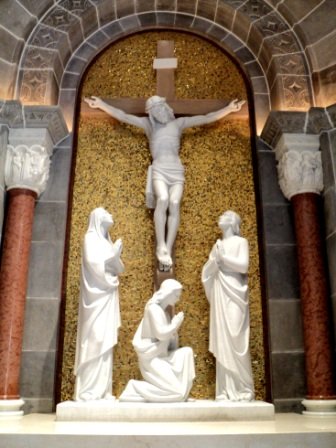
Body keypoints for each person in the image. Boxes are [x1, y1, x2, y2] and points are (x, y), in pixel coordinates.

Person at [84, 95, 245, 271]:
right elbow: (123, 116)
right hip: (159, 169)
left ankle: (167, 249)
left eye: (160, 109)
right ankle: (160, 245)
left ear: (166, 108)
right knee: (163, 199)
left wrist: (229, 109)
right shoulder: (148, 125)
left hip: (176, 170)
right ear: (151, 114)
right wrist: (101, 104)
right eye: (155, 111)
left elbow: (206, 118)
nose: (159, 113)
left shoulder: (178, 124)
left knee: (174, 203)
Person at [202, 211, 254, 401]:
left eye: (225, 215)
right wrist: (215, 262)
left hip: (235, 293)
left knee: (236, 338)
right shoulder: (218, 245)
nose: (220, 217)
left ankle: (244, 389)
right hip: (220, 293)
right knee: (223, 339)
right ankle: (224, 390)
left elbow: (243, 266)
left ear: (233, 222)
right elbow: (207, 272)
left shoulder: (241, 242)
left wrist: (223, 259)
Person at [74, 207, 124, 401]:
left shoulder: (106, 241)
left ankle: (102, 391)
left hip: (108, 296)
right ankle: (88, 391)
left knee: (105, 342)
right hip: (95, 299)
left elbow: (118, 268)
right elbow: (94, 265)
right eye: (107, 212)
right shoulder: (90, 239)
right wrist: (113, 255)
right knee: (94, 338)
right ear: (97, 218)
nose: (111, 214)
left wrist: (115, 255)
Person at [119, 279, 195, 402]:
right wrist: (175, 324)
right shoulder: (153, 309)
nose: (178, 299)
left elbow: (169, 343)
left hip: (162, 355)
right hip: (152, 358)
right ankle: (134, 388)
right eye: (176, 295)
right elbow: (162, 335)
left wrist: (173, 335)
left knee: (187, 352)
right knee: (176, 392)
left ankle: (181, 393)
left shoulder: (164, 313)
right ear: (168, 293)